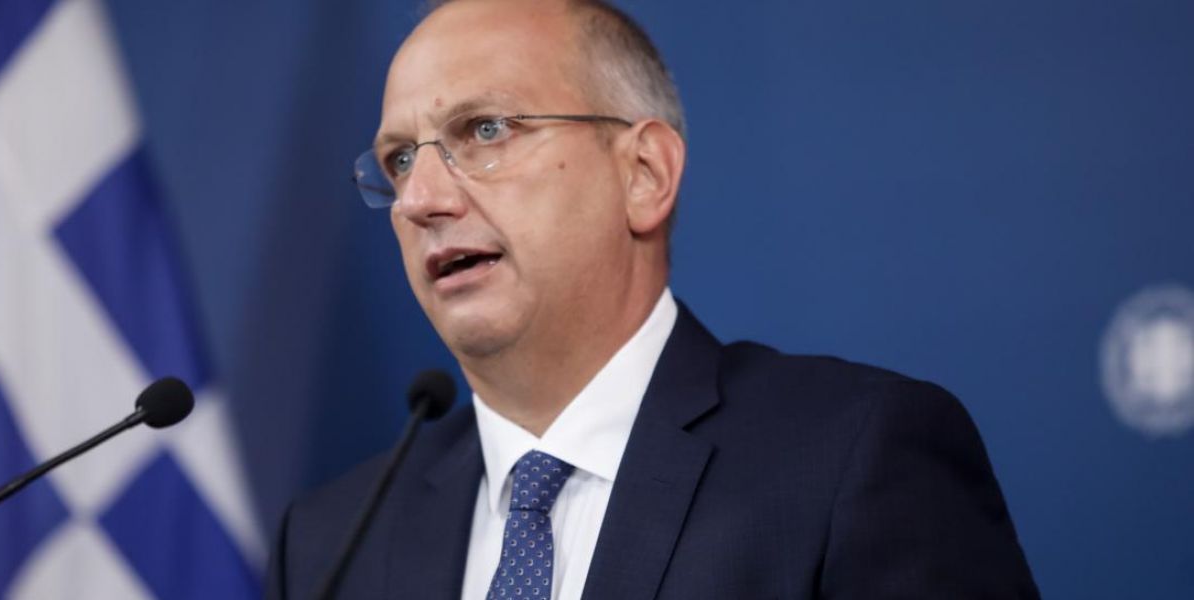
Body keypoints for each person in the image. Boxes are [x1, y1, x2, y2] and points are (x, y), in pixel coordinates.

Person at [268, 0, 1039, 598]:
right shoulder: (331, 544)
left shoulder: (848, 461)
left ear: (645, 175)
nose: (420, 200)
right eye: (400, 159)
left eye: (486, 129)